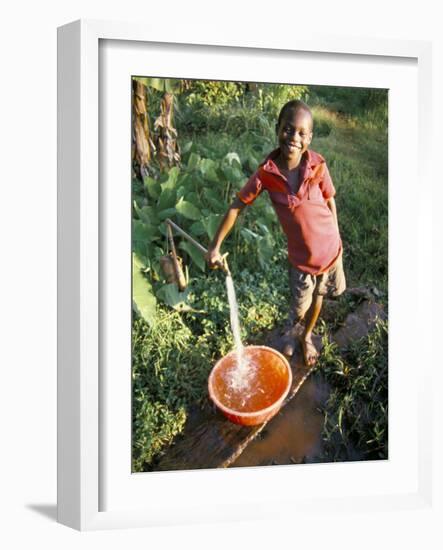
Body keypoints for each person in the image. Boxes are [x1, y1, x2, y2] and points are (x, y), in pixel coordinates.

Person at [205, 99, 346, 366]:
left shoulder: (318, 165)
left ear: (310, 137)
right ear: (277, 128)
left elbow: (330, 200)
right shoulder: (265, 175)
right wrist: (215, 246)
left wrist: (336, 234)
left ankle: (305, 337)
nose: (294, 137)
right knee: (299, 305)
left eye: (302, 133)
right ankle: (295, 329)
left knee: (321, 296)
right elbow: (236, 207)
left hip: (330, 251)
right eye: (288, 129)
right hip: (301, 260)